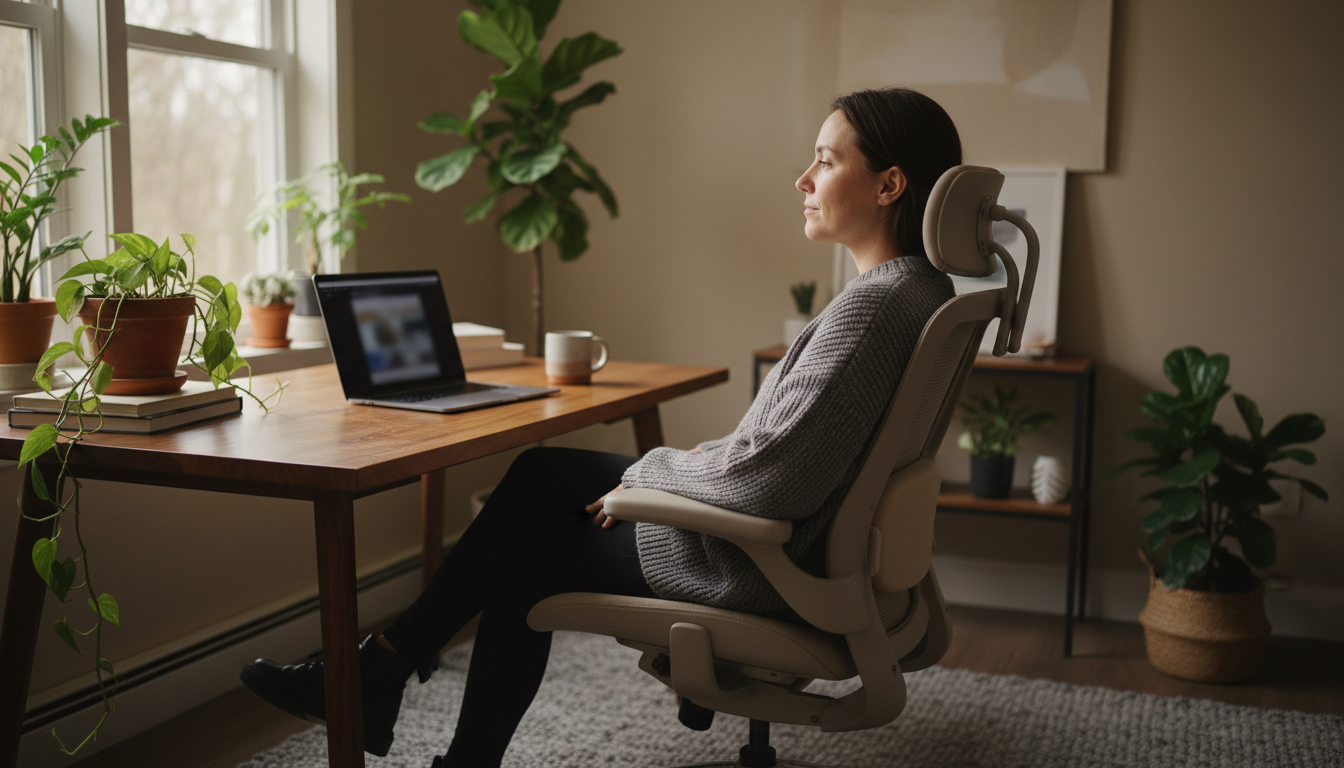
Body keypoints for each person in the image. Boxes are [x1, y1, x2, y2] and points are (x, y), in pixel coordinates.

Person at [240, 87, 962, 767]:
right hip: (799, 542)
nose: (803, 180)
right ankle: (386, 673)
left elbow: (769, 477)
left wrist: (641, 479)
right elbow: (780, 452)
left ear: (889, 185)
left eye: (827, 161)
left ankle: (387, 680)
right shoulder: (921, 292)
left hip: (760, 562)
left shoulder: (873, 308)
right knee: (542, 475)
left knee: (527, 549)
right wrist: (660, 469)